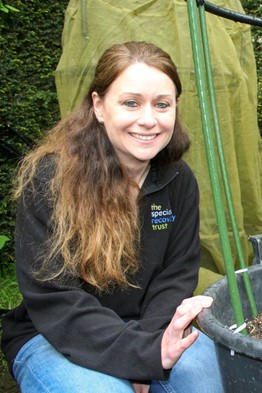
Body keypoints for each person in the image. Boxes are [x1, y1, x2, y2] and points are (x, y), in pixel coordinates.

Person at [1, 41, 223, 393]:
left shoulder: (178, 179)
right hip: (53, 333)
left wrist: (148, 352)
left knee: (216, 381)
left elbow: (176, 277)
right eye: (131, 103)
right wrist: (138, 357)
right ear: (99, 105)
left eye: (161, 105)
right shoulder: (49, 179)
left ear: (175, 109)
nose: (148, 120)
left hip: (151, 326)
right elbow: (54, 297)